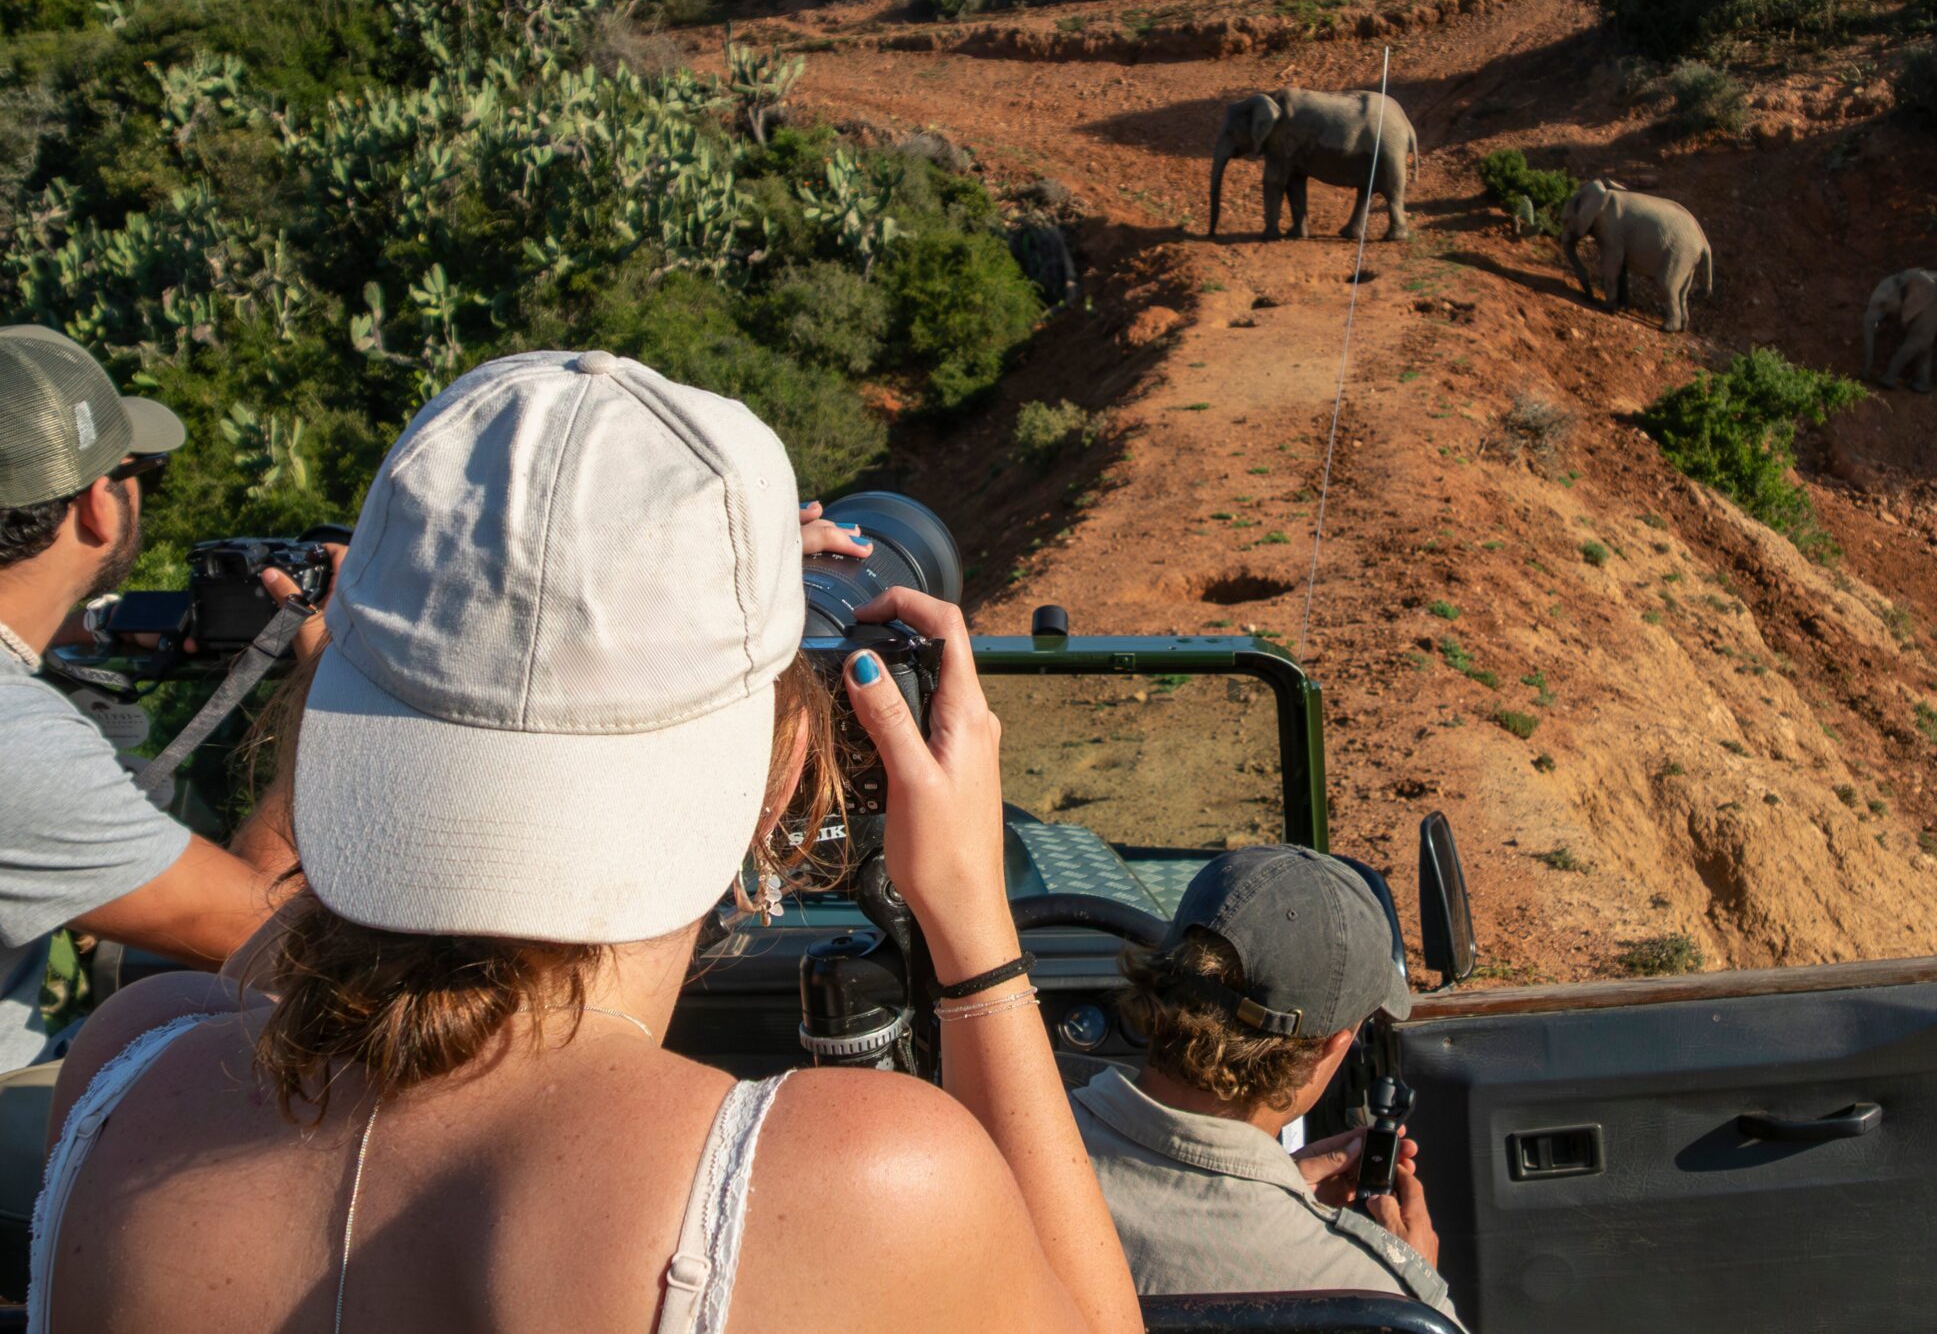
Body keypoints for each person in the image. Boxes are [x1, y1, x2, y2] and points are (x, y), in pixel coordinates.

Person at [25, 349, 1142, 1334]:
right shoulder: (850, 1180)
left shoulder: (128, 1072)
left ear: (331, 717)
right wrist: (973, 929)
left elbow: (314, 962)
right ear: (787, 772)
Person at [0, 324, 319, 1069]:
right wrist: (316, 687)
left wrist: (90, 625)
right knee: (224, 1053)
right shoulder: (20, 743)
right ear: (97, 506)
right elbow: (267, 934)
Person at [1073, 846, 1465, 1327]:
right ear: (1330, 1048)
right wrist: (1412, 1279)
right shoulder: (1376, 1298)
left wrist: (1279, 1188)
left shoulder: (999, 1153)